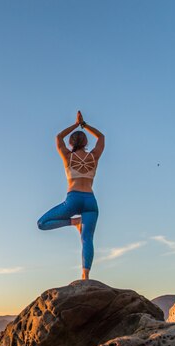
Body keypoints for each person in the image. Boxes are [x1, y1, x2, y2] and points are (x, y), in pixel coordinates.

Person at [37, 111, 105, 280]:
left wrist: (76, 124)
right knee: (87, 239)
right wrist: (85, 125)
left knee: (42, 223)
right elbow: (101, 137)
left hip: (73, 200)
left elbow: (59, 137)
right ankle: (85, 275)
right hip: (90, 201)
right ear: (86, 142)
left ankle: (74, 221)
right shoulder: (94, 157)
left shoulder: (68, 156)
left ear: (71, 142)